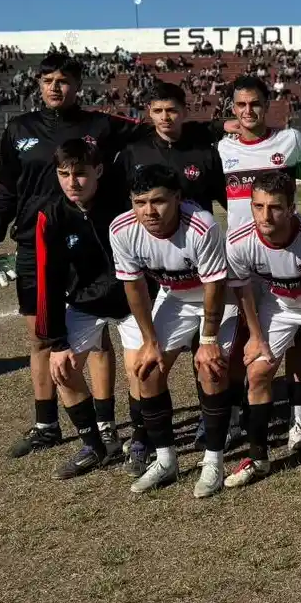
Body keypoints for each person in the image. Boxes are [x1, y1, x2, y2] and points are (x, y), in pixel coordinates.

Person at [0, 54, 147, 458]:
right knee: (41, 335)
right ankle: (46, 424)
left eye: (65, 80)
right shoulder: (20, 129)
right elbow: (4, 187)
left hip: (89, 244)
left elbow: (155, 130)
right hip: (34, 245)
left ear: (78, 85)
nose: (57, 87)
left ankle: (105, 424)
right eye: (49, 80)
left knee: (98, 336)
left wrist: (217, 128)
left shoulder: (101, 125)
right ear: (38, 83)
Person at [109, 165, 238, 497]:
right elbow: (135, 288)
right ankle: (166, 459)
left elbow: (215, 286)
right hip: (177, 296)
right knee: (147, 370)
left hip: (219, 296)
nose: (149, 211)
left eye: (158, 201)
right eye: (139, 202)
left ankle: (213, 461)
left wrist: (207, 341)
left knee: (212, 369)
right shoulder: (121, 229)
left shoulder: (201, 226)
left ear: (178, 198)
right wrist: (149, 342)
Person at [223, 172, 301, 492]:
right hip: (278, 307)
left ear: (292, 207)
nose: (266, 216)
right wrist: (255, 336)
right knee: (258, 371)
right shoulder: (239, 240)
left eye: (275, 207)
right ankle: (257, 456)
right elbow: (244, 292)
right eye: (258, 206)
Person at [217, 76, 301, 452]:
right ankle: (241, 414)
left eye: (254, 104)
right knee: (238, 338)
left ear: (267, 104)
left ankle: (298, 419)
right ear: (232, 109)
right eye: (240, 105)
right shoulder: (222, 148)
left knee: (292, 343)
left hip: (284, 257)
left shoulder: (289, 141)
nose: (247, 112)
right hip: (241, 258)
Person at [35, 139, 130, 479]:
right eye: (64, 174)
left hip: (131, 299)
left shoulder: (122, 202)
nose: (72, 182)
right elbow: (48, 280)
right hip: (85, 302)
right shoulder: (52, 214)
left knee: (142, 369)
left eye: (80, 174)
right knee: (61, 367)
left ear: (99, 171)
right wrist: (57, 342)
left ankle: (143, 442)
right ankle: (95, 445)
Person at [118, 82, 226, 214]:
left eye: (171, 110)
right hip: (149, 232)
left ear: (184, 111)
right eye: (158, 111)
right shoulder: (133, 153)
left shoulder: (205, 154)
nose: (164, 117)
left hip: (195, 232)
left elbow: (226, 199)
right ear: (150, 112)